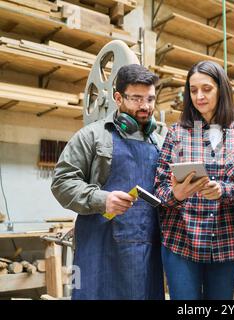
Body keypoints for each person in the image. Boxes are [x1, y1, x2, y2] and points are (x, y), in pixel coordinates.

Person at [51, 64, 164, 300]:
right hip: (100, 246)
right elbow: (61, 182)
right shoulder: (92, 136)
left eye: (151, 99)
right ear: (118, 98)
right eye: (136, 99)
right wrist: (103, 199)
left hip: (146, 248)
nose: (145, 106)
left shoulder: (160, 143)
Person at [154, 60, 234, 300]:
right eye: (193, 90)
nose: (199, 96)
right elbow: (159, 188)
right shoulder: (177, 133)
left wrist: (223, 190)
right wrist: (176, 195)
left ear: (221, 89)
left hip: (224, 241)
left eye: (207, 89)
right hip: (181, 240)